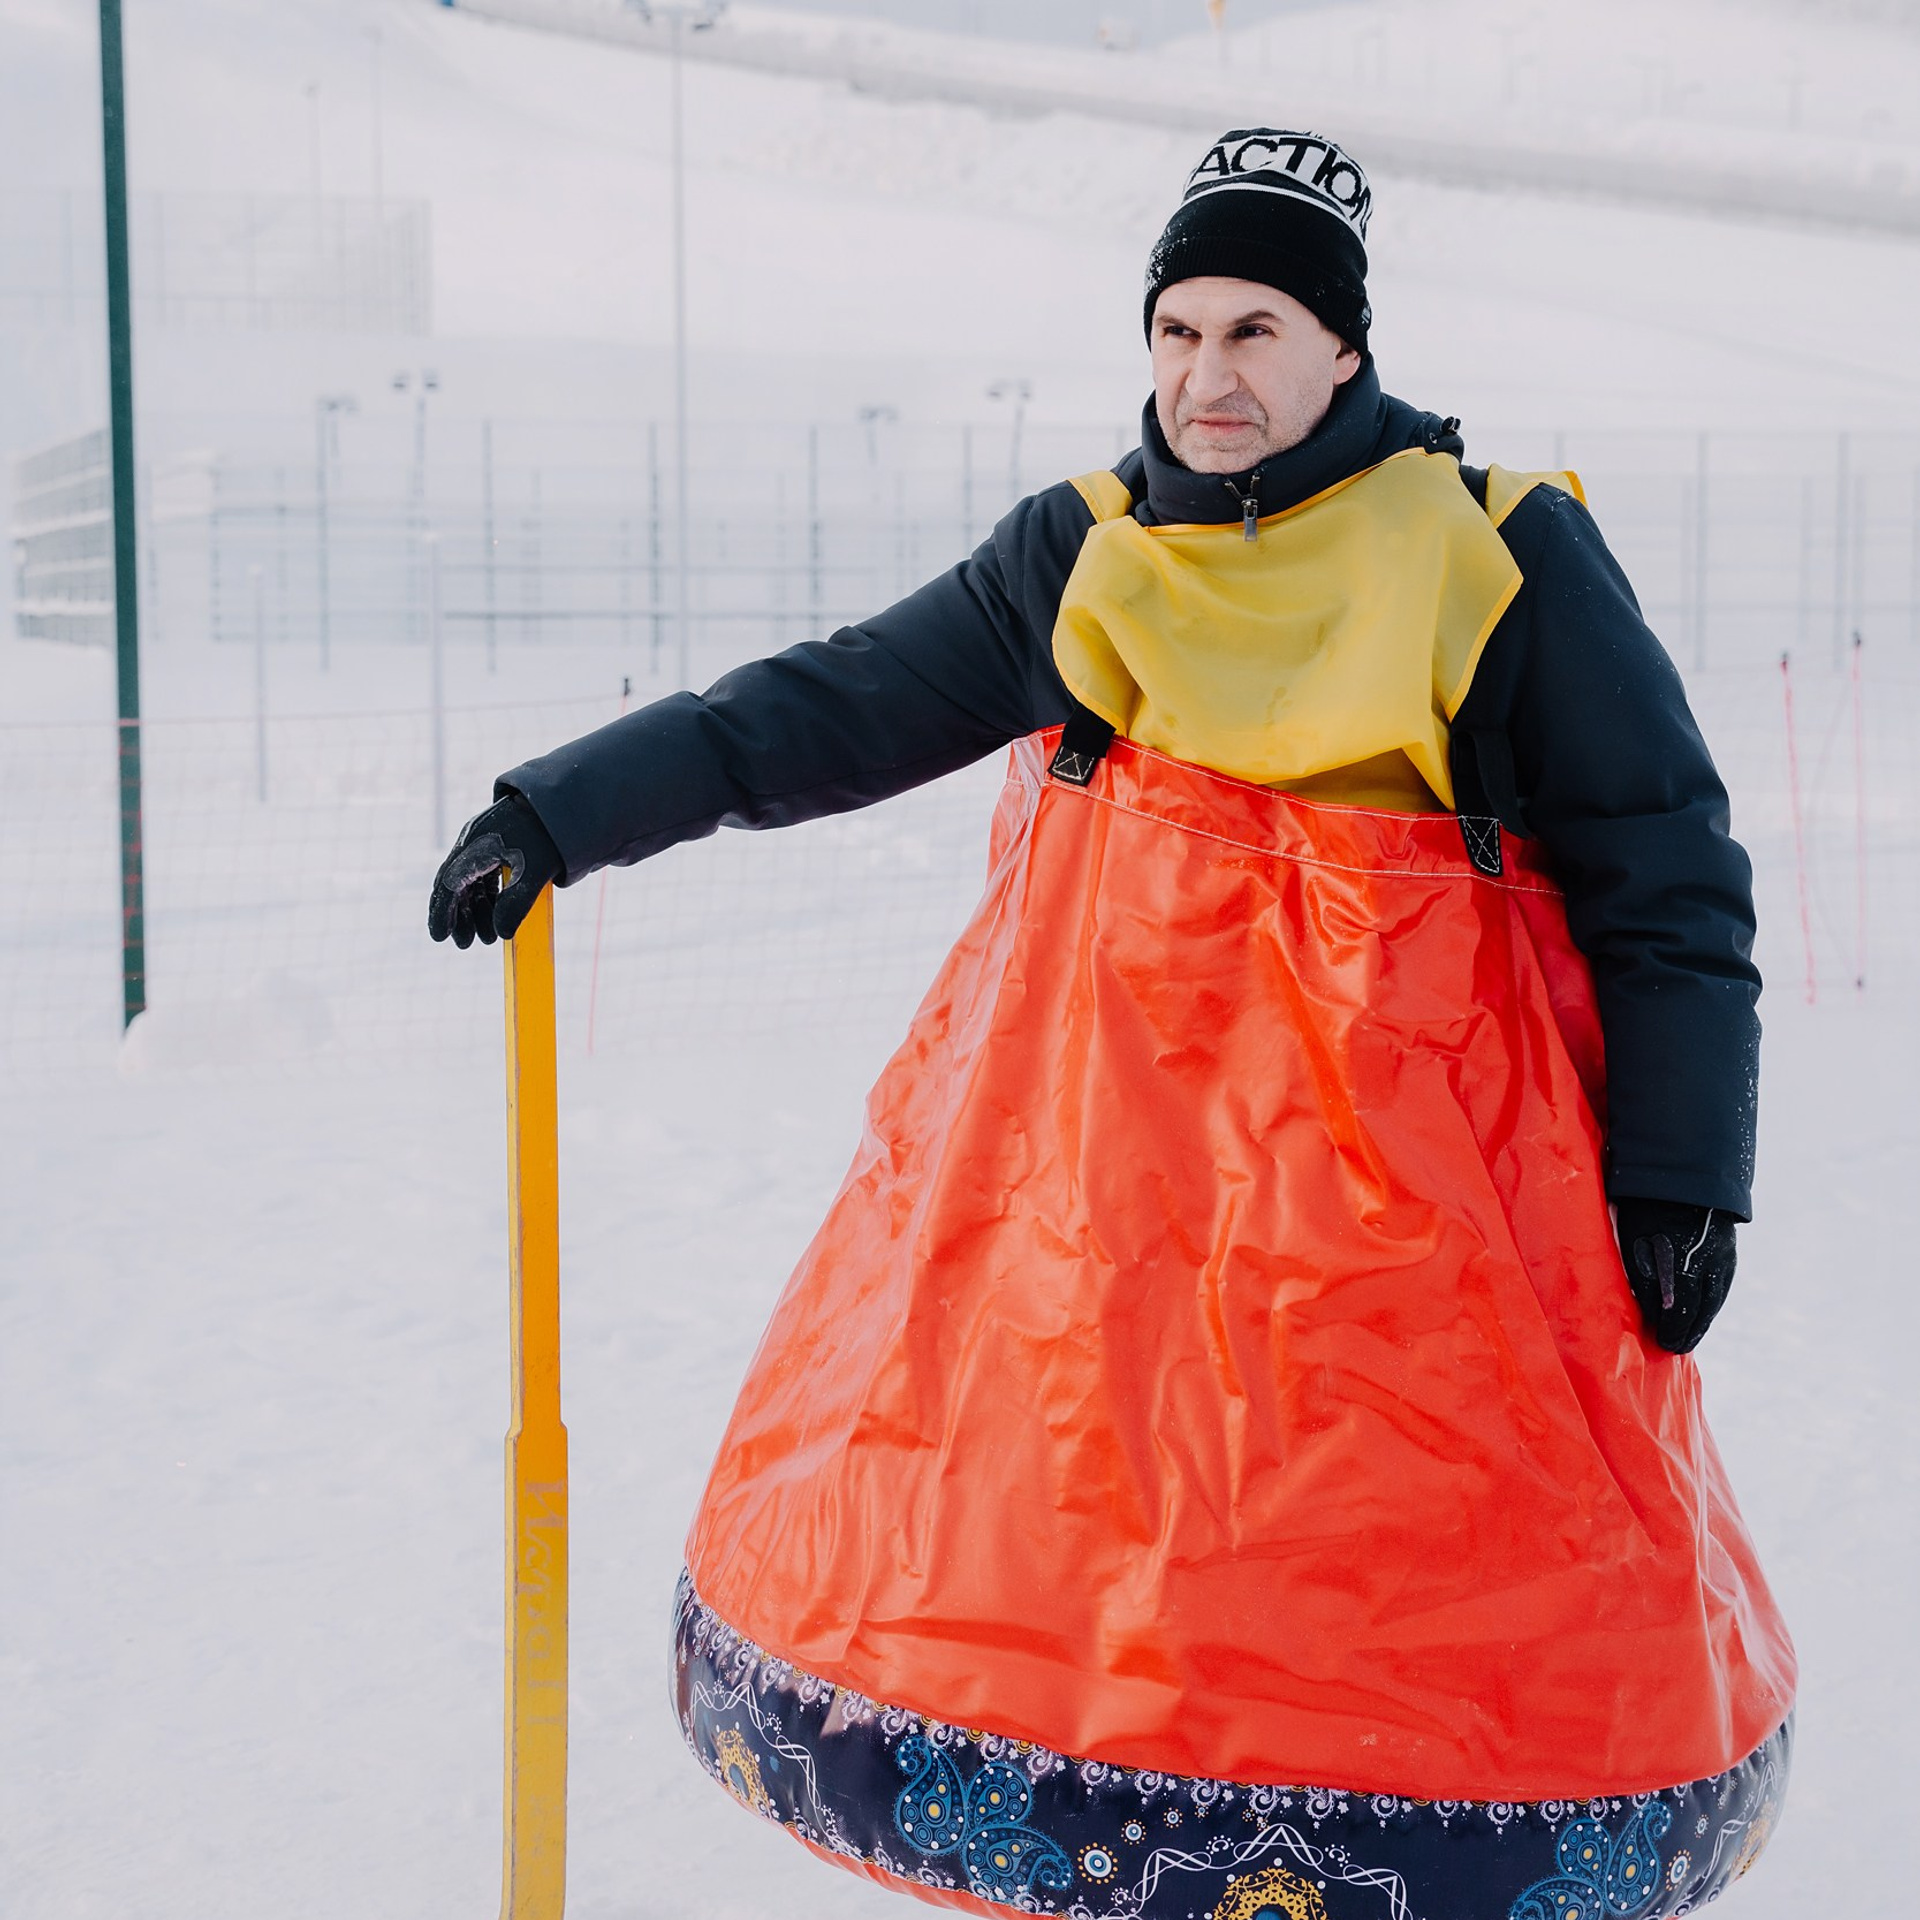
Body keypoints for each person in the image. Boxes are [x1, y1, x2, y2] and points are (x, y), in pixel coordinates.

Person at [431, 129, 1793, 1920]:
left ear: (1345, 350)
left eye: (1254, 332)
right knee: (1076, 1593)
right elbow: (829, 709)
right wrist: (558, 812)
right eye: (1176, 331)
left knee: (1359, 1614)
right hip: (1095, 1207)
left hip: (1404, 1242)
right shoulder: (1085, 549)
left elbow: (1663, 872)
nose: (1207, 376)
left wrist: (1689, 1173)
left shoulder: (1493, 557)